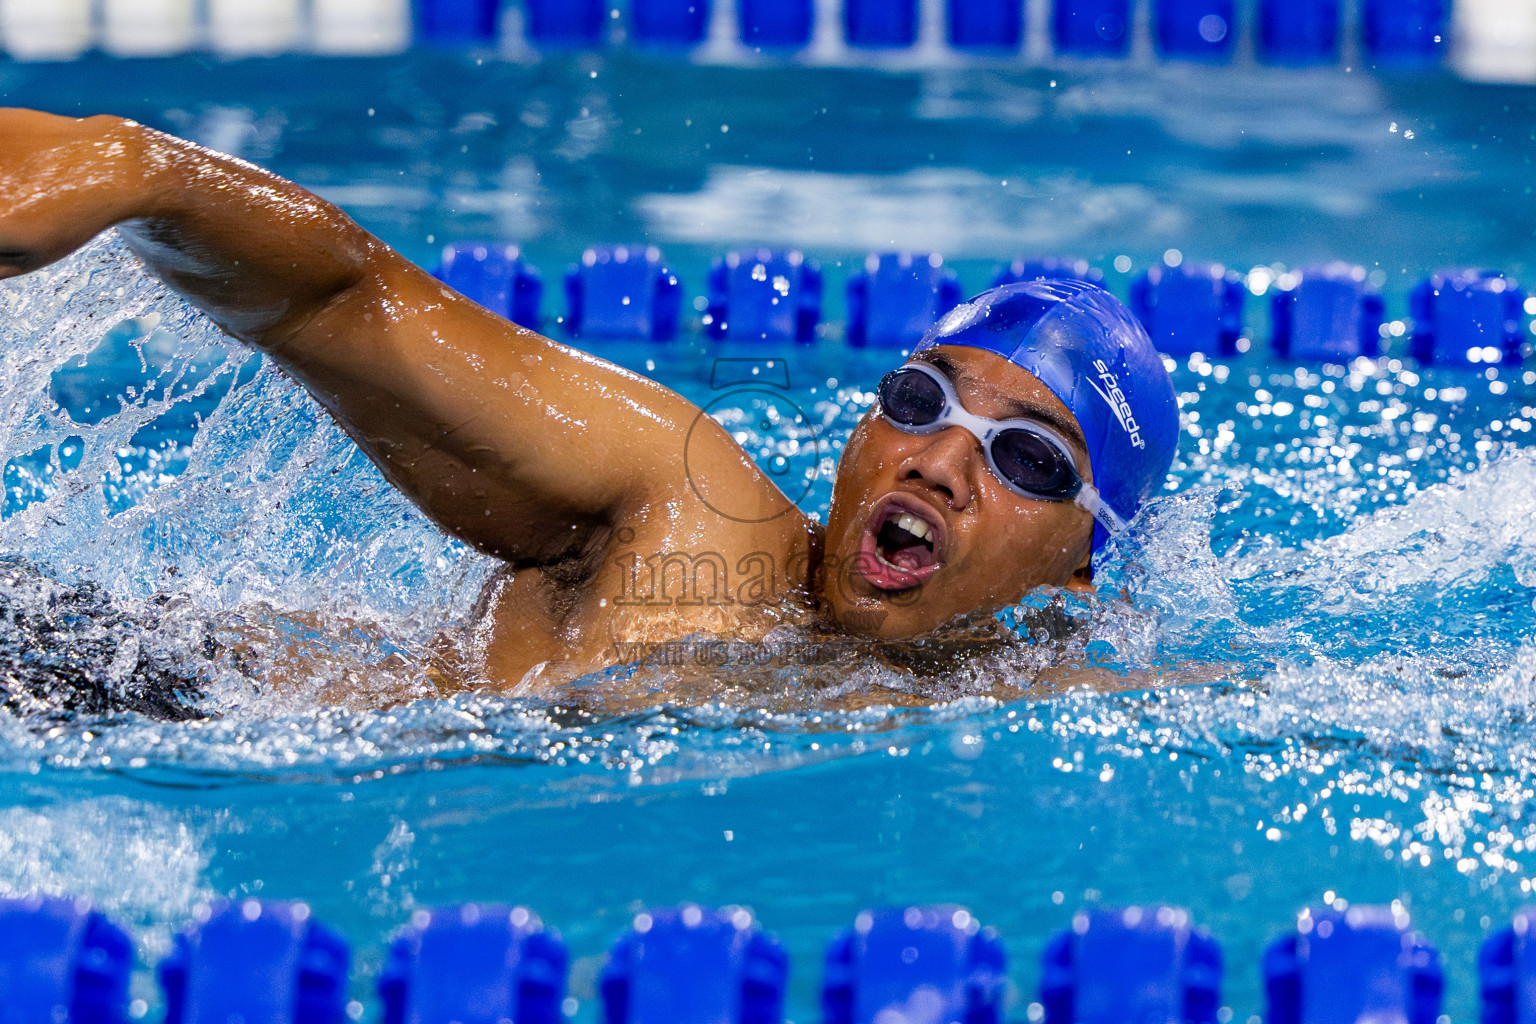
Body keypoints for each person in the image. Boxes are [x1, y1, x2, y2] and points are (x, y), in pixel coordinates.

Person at [0, 109, 1179, 696]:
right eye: (921, 399)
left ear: (1084, 565)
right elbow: (350, 304)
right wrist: (136, 169)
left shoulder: (1031, 701)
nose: (936, 463)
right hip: (120, 684)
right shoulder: (688, 508)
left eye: (1026, 459)